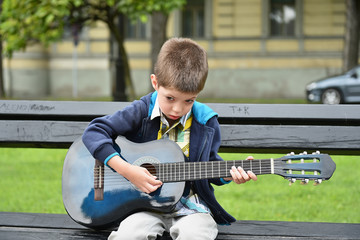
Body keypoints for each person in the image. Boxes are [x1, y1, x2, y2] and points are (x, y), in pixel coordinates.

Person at [82, 37, 257, 240]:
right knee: (128, 235)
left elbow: (209, 166)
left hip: (192, 206)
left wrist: (229, 174)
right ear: (155, 83)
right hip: (143, 206)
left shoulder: (206, 122)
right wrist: (128, 171)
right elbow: (94, 131)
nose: (178, 109)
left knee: (197, 235)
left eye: (188, 101)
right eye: (170, 98)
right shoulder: (141, 111)